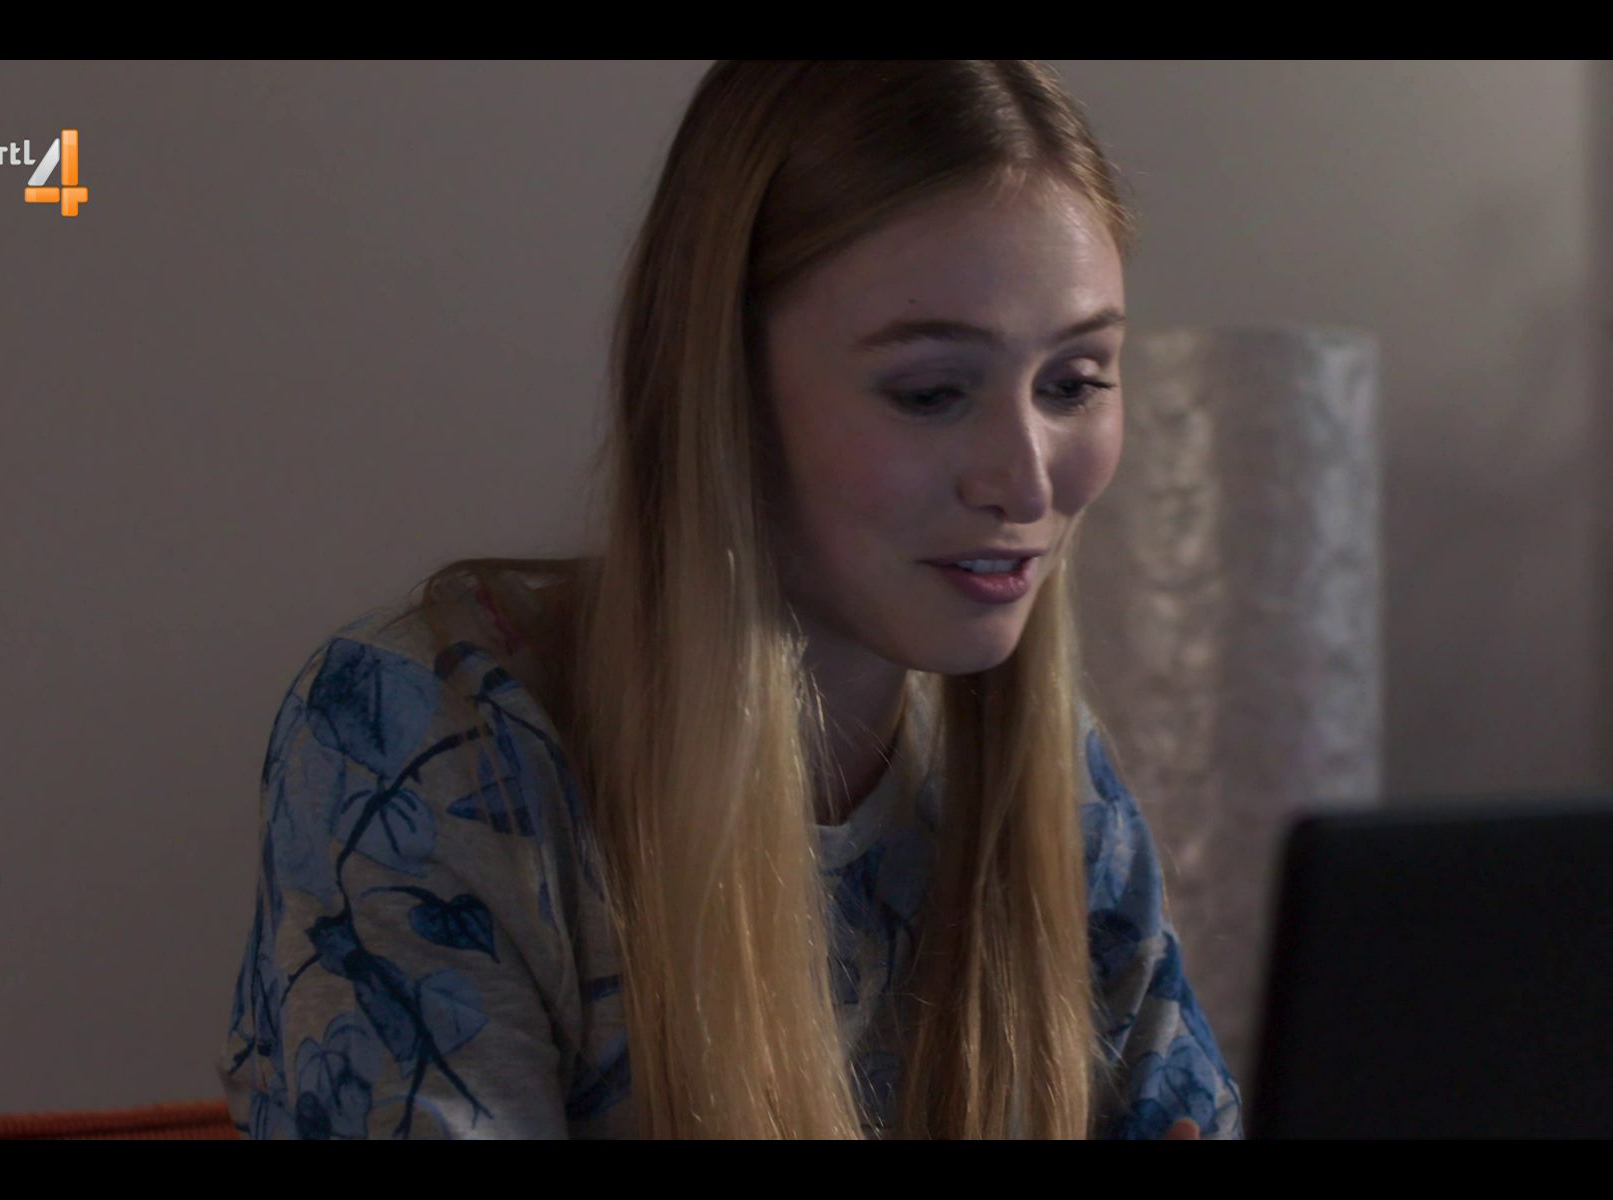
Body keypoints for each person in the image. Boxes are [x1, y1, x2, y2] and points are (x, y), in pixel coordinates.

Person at [218, 59, 1243, 1140]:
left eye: (1074, 384)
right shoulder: (432, 741)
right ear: (724, 387)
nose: (1027, 485)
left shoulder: (1049, 777)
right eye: (931, 392)